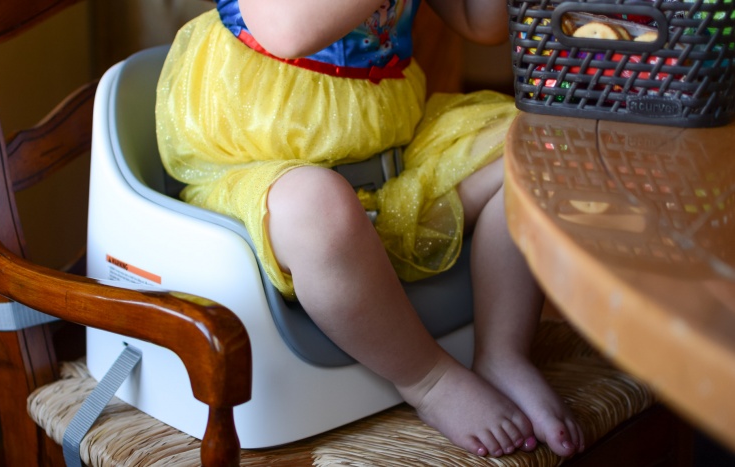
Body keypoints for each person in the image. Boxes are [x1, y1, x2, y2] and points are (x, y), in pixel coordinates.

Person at [156, 0, 585, 458]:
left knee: (536, 149)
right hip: (261, 161)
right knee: (319, 205)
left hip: (387, 155)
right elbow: (285, 31)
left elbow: (481, 23)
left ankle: (504, 352)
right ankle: (428, 378)